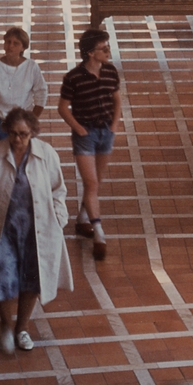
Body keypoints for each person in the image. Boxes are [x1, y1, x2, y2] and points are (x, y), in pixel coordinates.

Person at [0, 108, 73, 354]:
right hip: (3, 228)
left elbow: (59, 190)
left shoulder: (46, 154)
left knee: (32, 278)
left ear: (33, 132)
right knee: (2, 276)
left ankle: (22, 328)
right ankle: (6, 325)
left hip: (37, 229)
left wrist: (59, 218)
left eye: (23, 134)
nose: (17, 139)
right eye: (13, 133)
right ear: (6, 131)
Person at [58, 28, 122, 261]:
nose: (108, 51)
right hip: (85, 135)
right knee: (91, 182)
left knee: (96, 182)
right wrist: (78, 128)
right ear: (90, 53)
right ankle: (99, 233)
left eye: (108, 47)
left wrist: (114, 125)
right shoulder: (73, 78)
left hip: (106, 132)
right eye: (103, 48)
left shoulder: (111, 72)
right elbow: (62, 107)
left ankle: (82, 219)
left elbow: (116, 100)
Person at [0, 27, 48, 142]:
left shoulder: (31, 67)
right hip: (1, 122)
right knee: (0, 153)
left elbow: (41, 93)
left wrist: (32, 119)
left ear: (23, 47)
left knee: (24, 152)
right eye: (8, 42)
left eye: (16, 43)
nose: (10, 46)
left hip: (24, 122)